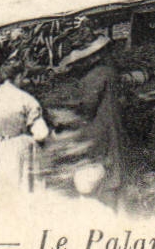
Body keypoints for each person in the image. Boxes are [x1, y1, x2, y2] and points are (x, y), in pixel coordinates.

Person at [37, 39, 124, 210]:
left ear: (91, 59)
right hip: (109, 123)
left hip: (99, 127)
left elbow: (87, 106)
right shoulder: (107, 72)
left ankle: (105, 208)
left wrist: (64, 114)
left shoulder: (96, 76)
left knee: (101, 171)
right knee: (112, 167)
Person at [0, 72, 50, 219]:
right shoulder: (26, 99)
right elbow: (41, 132)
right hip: (18, 147)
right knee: (21, 186)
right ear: (17, 78)